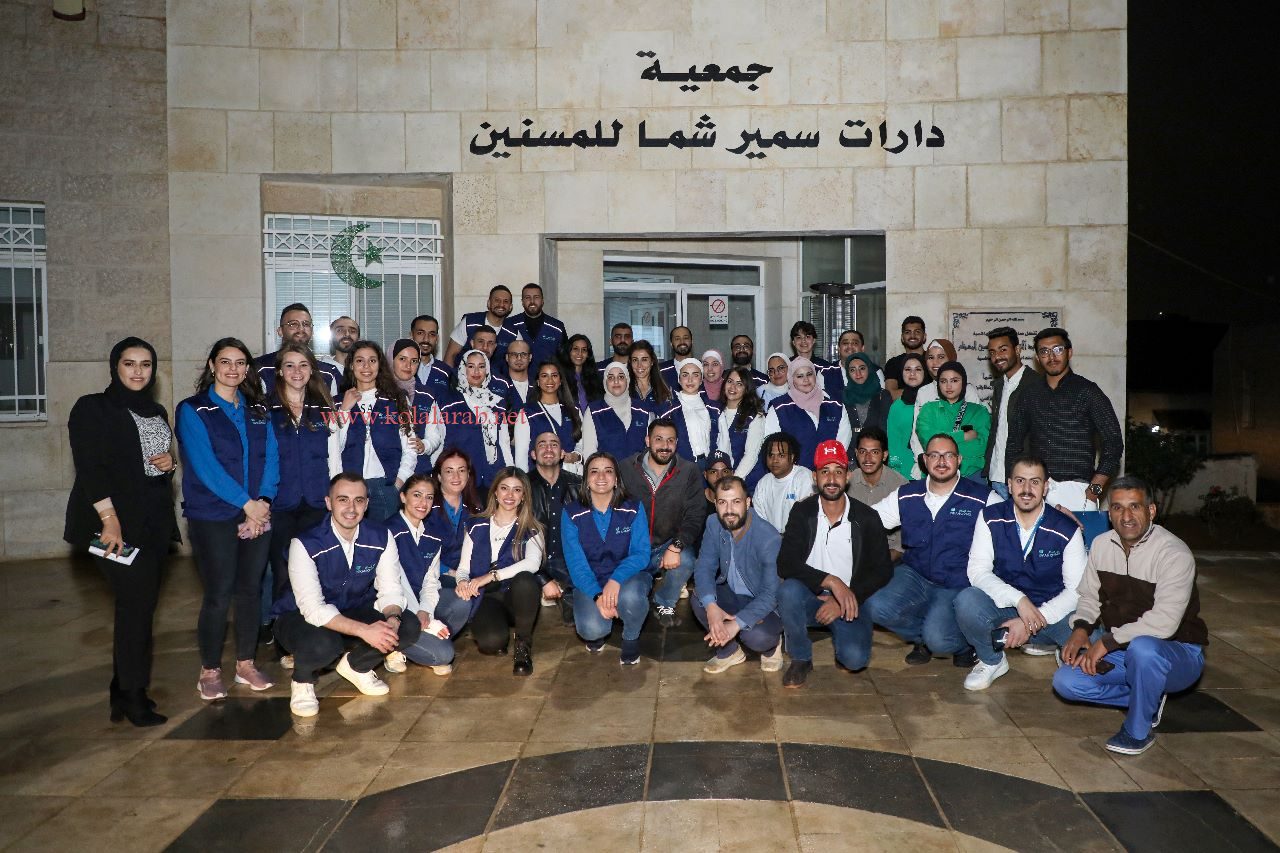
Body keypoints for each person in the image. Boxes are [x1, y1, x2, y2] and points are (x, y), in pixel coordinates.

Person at [65, 337, 178, 726]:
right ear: (115, 367)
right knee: (136, 605)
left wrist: (169, 464)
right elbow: (90, 468)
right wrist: (109, 519)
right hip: (110, 526)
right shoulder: (92, 408)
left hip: (152, 524)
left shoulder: (156, 410)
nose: (138, 371)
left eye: (146, 364)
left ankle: (122, 689)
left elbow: (150, 462)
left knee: (139, 607)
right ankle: (133, 696)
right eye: (129, 363)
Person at [1052, 476, 1208, 756]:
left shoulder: (1173, 553)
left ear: (1151, 511)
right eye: (1117, 507)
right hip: (1123, 650)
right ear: (1109, 513)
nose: (1126, 516)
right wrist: (1081, 629)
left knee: (1144, 649)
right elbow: (1089, 597)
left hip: (1176, 652)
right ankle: (1146, 699)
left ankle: (1138, 730)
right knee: (1066, 682)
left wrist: (1105, 643)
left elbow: (1164, 622)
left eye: (1135, 506)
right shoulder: (1101, 545)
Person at [176, 337, 279, 700]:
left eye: (239, 363)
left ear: (248, 369)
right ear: (212, 365)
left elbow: (271, 458)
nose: (232, 369)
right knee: (219, 594)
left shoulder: (258, 409)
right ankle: (209, 670)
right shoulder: (193, 409)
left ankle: (246, 664)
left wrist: (263, 502)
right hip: (213, 515)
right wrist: (246, 504)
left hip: (258, 513)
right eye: (225, 362)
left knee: (250, 591)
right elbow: (205, 467)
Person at [272, 473, 423, 717]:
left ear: (367, 504)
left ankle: (356, 666)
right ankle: (302, 680)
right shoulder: (305, 543)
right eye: (343, 499)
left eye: (358, 500)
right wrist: (364, 630)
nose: (351, 508)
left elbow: (391, 589)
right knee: (324, 643)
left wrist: (392, 620)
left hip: (352, 607)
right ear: (328, 503)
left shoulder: (381, 536)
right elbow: (313, 609)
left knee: (408, 625)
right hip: (298, 617)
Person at [863, 434, 1000, 667]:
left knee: (940, 640)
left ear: (959, 460)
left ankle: (964, 643)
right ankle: (923, 638)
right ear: (925, 460)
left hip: (957, 582)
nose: (941, 461)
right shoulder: (907, 494)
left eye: (948, 455)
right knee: (874, 605)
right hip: (915, 575)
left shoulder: (983, 499)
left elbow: (1015, 528)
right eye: (934, 455)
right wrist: (827, 510)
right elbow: (866, 520)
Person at [954, 455, 1086, 691]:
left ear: (1046, 487)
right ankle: (992, 660)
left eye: (1035, 482)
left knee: (1089, 641)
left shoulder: (1066, 528)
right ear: (1009, 484)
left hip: (1054, 612)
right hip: (1007, 607)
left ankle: (1062, 649)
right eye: (1020, 481)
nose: (1026, 489)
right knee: (967, 601)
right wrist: (1019, 600)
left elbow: (1077, 590)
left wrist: (1031, 621)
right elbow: (977, 571)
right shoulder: (990, 517)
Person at [777, 441, 894, 688]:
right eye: (825, 471)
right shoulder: (802, 512)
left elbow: (883, 570)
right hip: (811, 595)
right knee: (788, 591)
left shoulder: (867, 517)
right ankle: (800, 658)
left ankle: (844, 643)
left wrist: (844, 597)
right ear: (815, 476)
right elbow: (785, 563)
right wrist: (831, 581)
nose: (831, 479)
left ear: (848, 476)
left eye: (838, 471)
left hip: (851, 598)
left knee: (854, 659)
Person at [264, 344, 342, 642]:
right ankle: (283, 634)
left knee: (317, 569)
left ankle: (316, 628)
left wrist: (335, 498)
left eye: (303, 365)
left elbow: (334, 459)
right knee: (283, 570)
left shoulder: (324, 409)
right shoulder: (264, 410)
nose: (297, 371)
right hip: (280, 504)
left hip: (317, 502)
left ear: (312, 371)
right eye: (290, 365)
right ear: (279, 371)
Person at [1005, 327, 1124, 512]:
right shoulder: (1029, 394)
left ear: (1069, 352)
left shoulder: (1088, 392)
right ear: (1037, 358)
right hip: (1036, 490)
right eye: (1044, 351)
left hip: (1078, 492)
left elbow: (1113, 442)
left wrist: (1094, 490)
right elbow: (1014, 443)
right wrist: (1015, 485)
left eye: (1057, 349)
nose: (1051, 356)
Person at [454, 468, 553, 675]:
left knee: (526, 580)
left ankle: (523, 645)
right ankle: (499, 632)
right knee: (491, 642)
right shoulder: (475, 525)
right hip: (487, 595)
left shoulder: (532, 528)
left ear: (524, 496)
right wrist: (462, 581)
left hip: (516, 596)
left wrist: (493, 575)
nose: (510, 495)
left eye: (517, 490)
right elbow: (463, 569)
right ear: (495, 492)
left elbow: (532, 564)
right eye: (504, 488)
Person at [563, 452, 653, 665]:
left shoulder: (633, 507)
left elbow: (641, 553)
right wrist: (597, 595)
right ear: (586, 479)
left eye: (608, 471)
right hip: (591, 579)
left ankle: (630, 638)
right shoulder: (571, 513)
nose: (601, 476)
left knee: (631, 598)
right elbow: (576, 564)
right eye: (594, 471)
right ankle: (599, 630)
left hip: (628, 578)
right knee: (591, 629)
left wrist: (615, 580)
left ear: (616, 479)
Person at [619, 418, 707, 627]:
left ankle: (665, 600)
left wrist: (676, 546)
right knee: (629, 603)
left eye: (670, 440)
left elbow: (695, 514)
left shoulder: (689, 471)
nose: (665, 446)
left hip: (667, 544)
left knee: (686, 558)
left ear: (677, 443)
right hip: (633, 549)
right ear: (647, 440)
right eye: (658, 439)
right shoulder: (625, 468)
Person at [694, 476, 784, 674]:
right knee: (701, 597)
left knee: (758, 637)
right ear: (715, 504)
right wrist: (711, 608)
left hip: (764, 602)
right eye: (722, 502)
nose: (729, 510)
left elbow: (771, 594)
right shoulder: (713, 523)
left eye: (736, 501)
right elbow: (704, 567)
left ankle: (771, 648)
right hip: (733, 594)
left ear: (747, 502)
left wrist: (735, 624)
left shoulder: (768, 537)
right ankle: (729, 651)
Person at [386, 474, 471, 676]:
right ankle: (394, 649)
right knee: (444, 655)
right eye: (417, 495)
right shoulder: (388, 532)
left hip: (418, 602)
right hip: (392, 607)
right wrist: (420, 615)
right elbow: (395, 584)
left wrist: (425, 611)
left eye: (429, 497)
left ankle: (427, 640)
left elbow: (430, 581)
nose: (423, 503)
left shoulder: (432, 535)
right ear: (403, 497)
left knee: (462, 601)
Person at [335, 340, 417, 523]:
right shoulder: (337, 402)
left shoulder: (397, 399)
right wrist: (344, 411)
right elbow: (333, 448)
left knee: (386, 539)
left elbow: (410, 447)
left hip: (386, 487)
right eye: (360, 361)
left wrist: (398, 483)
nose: (366, 366)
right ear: (351, 365)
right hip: (349, 488)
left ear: (380, 365)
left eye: (372, 360)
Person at [438, 349, 514, 493]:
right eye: (471, 366)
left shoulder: (497, 402)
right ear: (463, 369)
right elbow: (440, 441)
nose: (476, 371)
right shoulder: (447, 402)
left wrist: (511, 473)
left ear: (487, 370)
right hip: (460, 479)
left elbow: (504, 443)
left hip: (493, 477)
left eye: (481, 366)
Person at [528, 431, 582, 625]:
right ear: (533, 454)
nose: (548, 448)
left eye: (554, 444)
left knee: (580, 620)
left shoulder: (579, 484)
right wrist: (542, 579)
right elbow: (514, 538)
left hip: (567, 562)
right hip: (532, 562)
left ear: (562, 454)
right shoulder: (521, 486)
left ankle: (565, 590)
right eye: (542, 444)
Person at [761, 357, 851, 471]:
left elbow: (842, 442)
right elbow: (772, 446)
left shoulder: (835, 406)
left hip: (829, 473)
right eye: (799, 376)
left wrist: (829, 469)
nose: (806, 380)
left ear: (815, 376)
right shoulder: (779, 407)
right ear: (791, 379)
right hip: (793, 476)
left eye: (809, 374)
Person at [514, 359, 594, 476]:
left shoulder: (574, 409)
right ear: (538, 381)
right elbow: (521, 456)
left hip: (572, 477)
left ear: (560, 380)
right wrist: (525, 483)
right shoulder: (527, 412)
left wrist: (576, 455)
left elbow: (582, 442)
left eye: (554, 375)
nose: (550, 380)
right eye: (544, 376)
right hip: (540, 479)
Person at [914, 361, 991, 481]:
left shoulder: (979, 412)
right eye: (943, 381)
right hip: (936, 476)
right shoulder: (928, 410)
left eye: (954, 380)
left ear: (963, 382)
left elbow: (982, 447)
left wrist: (940, 449)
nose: (948, 386)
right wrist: (963, 436)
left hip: (972, 477)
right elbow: (929, 442)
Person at [982, 326, 1028, 500]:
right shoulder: (999, 385)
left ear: (1017, 349)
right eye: (992, 352)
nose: (997, 357)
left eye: (1003, 350)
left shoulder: (1036, 384)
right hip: (996, 477)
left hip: (1022, 479)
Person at [845, 427, 906, 558]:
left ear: (884, 455)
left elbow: (901, 543)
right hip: (852, 554)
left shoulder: (900, 486)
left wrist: (879, 563)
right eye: (863, 451)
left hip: (888, 556)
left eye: (874, 452)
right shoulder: (846, 483)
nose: (868, 458)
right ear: (856, 453)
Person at [388, 338, 446, 475]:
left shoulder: (427, 395)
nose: (408, 365)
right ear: (391, 359)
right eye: (402, 359)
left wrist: (425, 445)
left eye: (414, 361)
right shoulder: (378, 393)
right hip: (387, 471)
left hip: (420, 472)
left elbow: (434, 436)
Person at [257, 303, 341, 395]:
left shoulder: (329, 372)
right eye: (293, 324)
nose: (301, 329)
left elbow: (337, 403)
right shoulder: (260, 368)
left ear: (312, 332)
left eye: (306, 324)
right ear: (280, 331)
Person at [429, 448, 483, 578]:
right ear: (439, 476)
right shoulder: (426, 507)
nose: (456, 477)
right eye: (449, 471)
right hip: (433, 575)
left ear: (468, 475)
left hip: (467, 575)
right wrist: (452, 573)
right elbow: (418, 553)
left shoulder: (476, 508)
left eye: (461, 470)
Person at [658, 357, 721, 465]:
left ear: (701, 380)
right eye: (685, 375)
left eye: (695, 375)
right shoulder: (668, 408)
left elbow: (723, 442)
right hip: (680, 465)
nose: (690, 380)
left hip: (708, 465)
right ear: (679, 379)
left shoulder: (713, 408)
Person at [752, 432, 814, 533]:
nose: (775, 460)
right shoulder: (763, 483)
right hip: (771, 539)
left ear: (792, 457)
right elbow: (759, 522)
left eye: (781, 455)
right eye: (771, 455)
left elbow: (807, 520)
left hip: (798, 538)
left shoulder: (804, 477)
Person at [591, 361, 651, 461]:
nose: (616, 381)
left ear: (627, 380)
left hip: (638, 470)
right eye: (611, 377)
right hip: (605, 470)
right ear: (605, 381)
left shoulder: (643, 409)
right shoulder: (594, 410)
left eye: (621, 377)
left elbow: (651, 447)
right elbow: (589, 452)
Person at [444, 284, 517, 366]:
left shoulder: (513, 333)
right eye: (497, 300)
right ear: (489, 303)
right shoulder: (469, 322)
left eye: (506, 301)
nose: (501, 304)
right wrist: (449, 374)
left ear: (510, 307)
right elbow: (451, 355)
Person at [716, 366, 767, 483]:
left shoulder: (755, 416)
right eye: (730, 381)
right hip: (719, 480)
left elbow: (751, 455)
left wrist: (734, 481)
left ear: (746, 389)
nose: (733, 387)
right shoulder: (715, 411)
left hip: (745, 480)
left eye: (739, 384)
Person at [886, 352, 928, 479]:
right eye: (908, 369)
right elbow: (893, 441)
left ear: (925, 372)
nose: (912, 373)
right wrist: (895, 469)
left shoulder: (932, 402)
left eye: (918, 369)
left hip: (930, 468)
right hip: (903, 471)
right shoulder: (896, 406)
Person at [506, 282, 567, 369]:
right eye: (527, 297)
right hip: (517, 377)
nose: (532, 301)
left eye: (536, 297)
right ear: (522, 302)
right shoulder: (509, 325)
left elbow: (565, 360)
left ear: (542, 301)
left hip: (548, 376)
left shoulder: (557, 327)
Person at [789, 320, 842, 399]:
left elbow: (834, 397)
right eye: (798, 338)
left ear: (814, 340)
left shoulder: (827, 368)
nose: (803, 341)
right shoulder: (786, 366)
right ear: (793, 342)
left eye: (807, 337)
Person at [842, 352, 892, 435]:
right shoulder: (844, 396)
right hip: (848, 443)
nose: (858, 374)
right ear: (848, 373)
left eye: (862, 368)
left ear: (869, 369)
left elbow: (885, 428)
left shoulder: (883, 395)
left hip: (876, 442)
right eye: (852, 370)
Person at [883, 315, 927, 399]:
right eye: (907, 332)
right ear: (902, 338)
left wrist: (906, 393)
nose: (912, 336)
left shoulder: (932, 360)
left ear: (924, 336)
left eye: (917, 332)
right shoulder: (893, 363)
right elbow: (890, 394)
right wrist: (926, 392)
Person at [560, 333, 604, 412]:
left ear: (588, 354)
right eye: (575, 349)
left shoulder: (595, 378)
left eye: (584, 350)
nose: (579, 353)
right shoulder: (560, 377)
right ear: (568, 351)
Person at [411, 313, 452, 397]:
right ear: (412, 335)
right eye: (420, 333)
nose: (426, 339)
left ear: (437, 339)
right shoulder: (402, 369)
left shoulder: (445, 371)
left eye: (432, 334)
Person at [628, 339, 672, 414]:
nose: (639, 365)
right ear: (630, 362)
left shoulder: (666, 390)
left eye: (644, 360)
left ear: (652, 361)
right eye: (635, 360)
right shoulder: (624, 390)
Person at [468, 326, 511, 393]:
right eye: (480, 341)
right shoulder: (456, 376)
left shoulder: (502, 382)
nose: (485, 347)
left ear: (495, 347)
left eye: (490, 343)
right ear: (472, 343)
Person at [501, 338, 536, 412]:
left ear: (530, 357)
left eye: (524, 354)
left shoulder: (538, 386)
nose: (519, 358)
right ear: (507, 357)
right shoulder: (499, 384)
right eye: (514, 354)